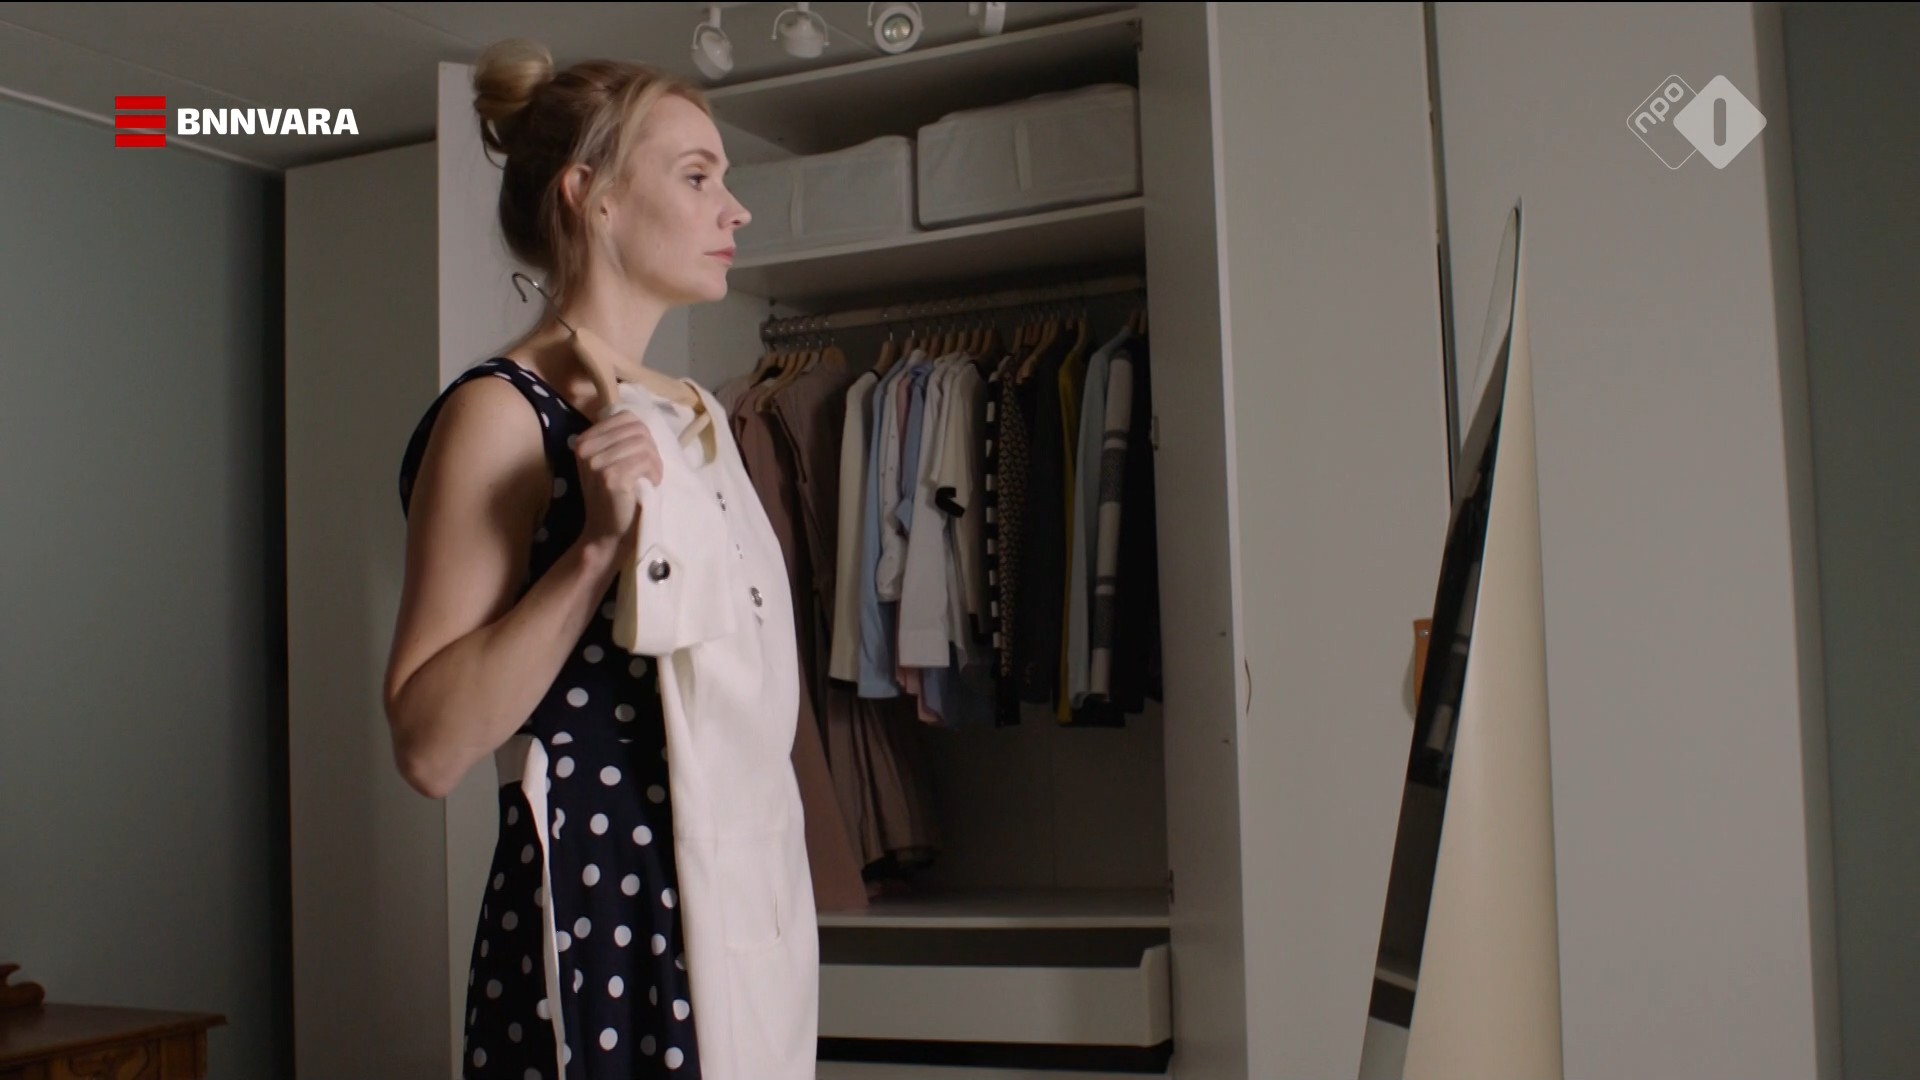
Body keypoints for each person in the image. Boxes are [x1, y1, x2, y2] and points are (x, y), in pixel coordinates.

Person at [383, 39, 813, 1079]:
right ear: (593, 197)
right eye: (697, 176)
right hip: (596, 915)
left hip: (724, 904)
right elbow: (429, 746)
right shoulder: (502, 414)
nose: (735, 210)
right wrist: (595, 551)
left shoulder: (686, 419)